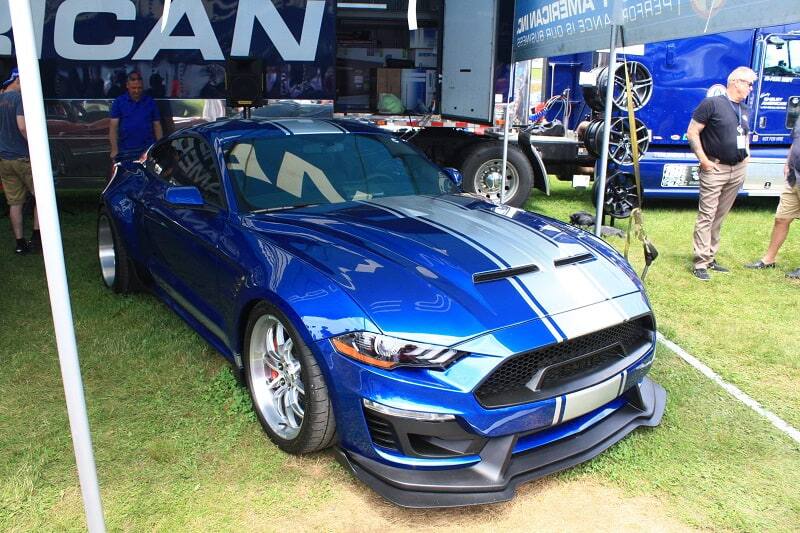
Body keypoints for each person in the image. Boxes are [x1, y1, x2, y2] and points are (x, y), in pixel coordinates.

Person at [686, 66, 758, 281]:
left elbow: (744, 135)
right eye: (749, 83)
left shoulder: (743, 109)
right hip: (715, 168)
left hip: (736, 169)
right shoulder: (712, 104)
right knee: (707, 215)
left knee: (719, 215)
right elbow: (692, 131)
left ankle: (710, 256)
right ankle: (700, 262)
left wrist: (747, 155)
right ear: (736, 82)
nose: (751, 88)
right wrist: (704, 161)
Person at [745, 120, 800, 279]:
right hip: (793, 177)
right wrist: (787, 162)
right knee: (781, 219)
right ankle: (768, 260)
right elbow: (795, 142)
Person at [0, 67, 40, 255]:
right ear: (18, 80)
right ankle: (37, 237)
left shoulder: (1, 98)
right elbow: (22, 126)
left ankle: (19, 243)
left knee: (14, 203)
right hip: (23, 158)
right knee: (40, 197)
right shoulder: (19, 99)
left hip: (4, 159)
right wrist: (36, 145)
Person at [109, 71, 163, 164]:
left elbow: (157, 126)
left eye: (139, 88)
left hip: (148, 150)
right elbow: (113, 127)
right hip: (126, 150)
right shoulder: (119, 102)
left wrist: (160, 148)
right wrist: (114, 150)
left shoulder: (150, 102)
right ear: (127, 86)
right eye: (133, 88)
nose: (136, 91)